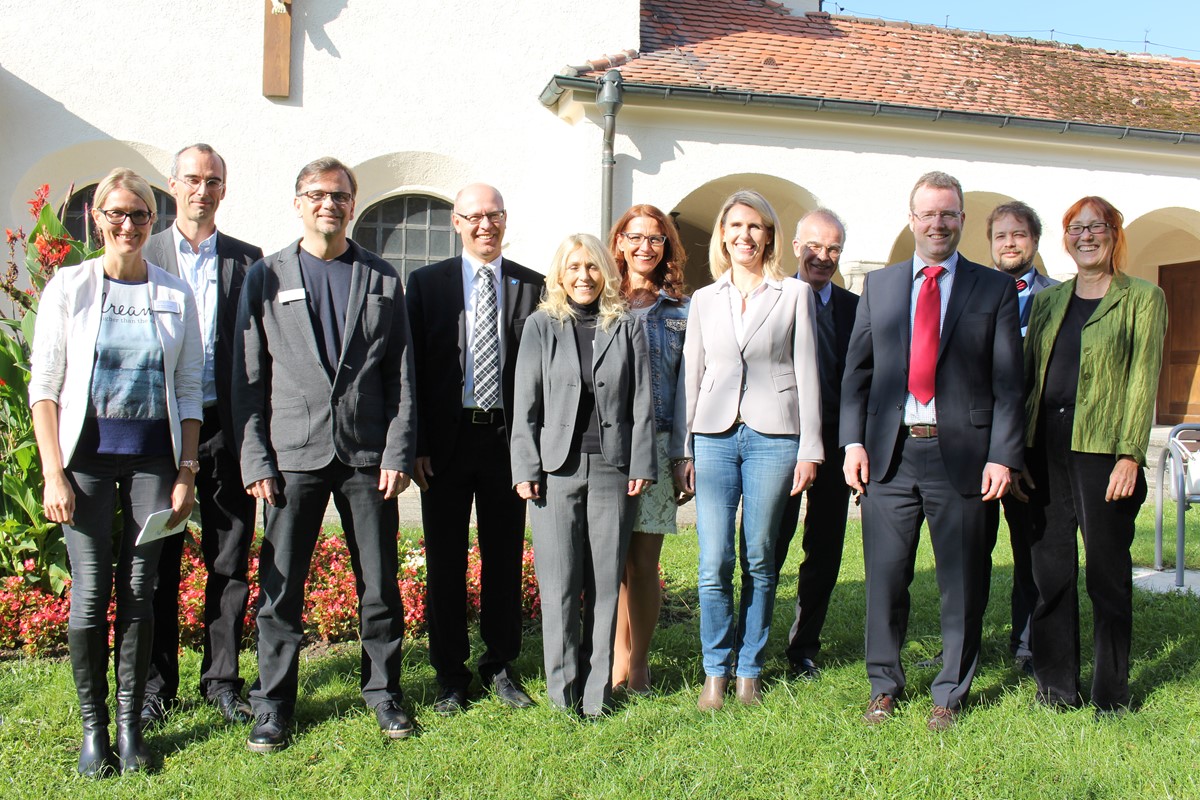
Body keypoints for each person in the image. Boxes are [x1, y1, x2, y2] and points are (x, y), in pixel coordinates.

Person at [233, 157, 417, 752]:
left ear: (353, 204)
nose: (327, 204)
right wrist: (255, 456)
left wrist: (398, 449)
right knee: (281, 587)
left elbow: (402, 375)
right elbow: (248, 379)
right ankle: (273, 704)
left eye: (338, 195)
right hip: (292, 453)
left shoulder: (383, 277)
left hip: (366, 453)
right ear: (298, 203)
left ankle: (384, 691)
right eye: (315, 194)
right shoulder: (266, 276)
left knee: (379, 581)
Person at [29, 168, 203, 775]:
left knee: (140, 590)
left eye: (140, 216)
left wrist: (186, 469)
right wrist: (53, 473)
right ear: (95, 219)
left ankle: (131, 725)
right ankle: (92, 729)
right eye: (117, 214)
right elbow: (44, 389)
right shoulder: (69, 287)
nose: (128, 225)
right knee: (90, 592)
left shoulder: (174, 294)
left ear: (153, 224)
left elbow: (188, 389)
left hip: (154, 462)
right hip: (85, 464)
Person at [841, 171, 1023, 731]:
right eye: (928, 213)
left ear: (962, 220)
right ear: (912, 217)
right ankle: (883, 684)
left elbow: (1011, 383)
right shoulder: (883, 286)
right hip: (890, 456)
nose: (937, 223)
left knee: (961, 580)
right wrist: (851, 441)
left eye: (948, 214)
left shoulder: (991, 289)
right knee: (886, 577)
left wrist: (1003, 454)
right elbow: (857, 374)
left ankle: (949, 690)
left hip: (964, 456)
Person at [1017, 196, 1167, 714]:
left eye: (1096, 227)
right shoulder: (1048, 301)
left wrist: (1131, 454)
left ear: (1114, 234)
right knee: (1051, 574)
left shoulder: (1142, 298)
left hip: (1103, 451)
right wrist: (1017, 452)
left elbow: (1143, 379)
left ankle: (1112, 694)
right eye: (1076, 227)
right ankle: (1056, 689)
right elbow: (1028, 380)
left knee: (1106, 575)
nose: (1086, 236)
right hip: (1045, 450)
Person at [676, 189, 822, 711]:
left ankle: (750, 667)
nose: (745, 236)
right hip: (713, 437)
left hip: (774, 437)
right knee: (713, 560)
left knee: (759, 557)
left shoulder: (794, 294)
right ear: (722, 235)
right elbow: (691, 375)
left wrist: (812, 449)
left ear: (769, 236)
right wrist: (682, 449)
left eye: (755, 227)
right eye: (735, 226)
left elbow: (807, 372)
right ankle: (716, 668)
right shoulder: (703, 299)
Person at [405, 184, 543, 715]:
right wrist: (415, 443)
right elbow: (411, 370)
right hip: (443, 445)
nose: (486, 225)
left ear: (505, 220)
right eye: (475, 216)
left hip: (508, 443)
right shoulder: (426, 284)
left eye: (495, 215)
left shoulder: (533, 286)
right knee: (444, 561)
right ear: (456, 222)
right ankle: (449, 675)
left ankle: (502, 666)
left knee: (504, 559)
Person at [142, 143, 264, 728]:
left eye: (213, 180)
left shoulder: (249, 261)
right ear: (172, 185)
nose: (202, 189)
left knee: (230, 558)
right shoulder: (145, 251)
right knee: (158, 559)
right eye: (192, 179)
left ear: (224, 189)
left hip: (226, 429)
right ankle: (156, 684)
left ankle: (221, 680)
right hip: (158, 430)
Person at [510, 233, 656, 717]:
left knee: (604, 583)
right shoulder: (540, 325)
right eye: (574, 267)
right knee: (558, 585)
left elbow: (641, 402)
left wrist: (641, 463)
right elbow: (525, 405)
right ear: (560, 274)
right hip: (555, 472)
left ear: (606, 273)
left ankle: (597, 696)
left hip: (614, 470)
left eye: (592, 267)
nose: (583, 277)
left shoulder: (627, 326)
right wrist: (524, 467)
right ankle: (561, 695)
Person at [606, 204, 690, 696]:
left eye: (655, 239)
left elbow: (688, 390)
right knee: (612, 562)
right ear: (618, 243)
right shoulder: (599, 303)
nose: (644, 246)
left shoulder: (682, 312)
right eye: (634, 237)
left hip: (658, 447)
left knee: (642, 563)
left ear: (666, 249)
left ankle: (638, 666)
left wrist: (681, 455)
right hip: (608, 448)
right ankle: (616, 659)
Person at [773, 209, 858, 680]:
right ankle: (755, 640)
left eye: (833, 249)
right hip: (781, 444)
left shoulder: (854, 308)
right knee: (770, 544)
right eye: (814, 247)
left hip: (837, 448)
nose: (822, 258)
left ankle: (804, 646)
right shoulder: (774, 298)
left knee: (824, 550)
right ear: (795, 247)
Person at [985, 200, 1057, 675]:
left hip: (1035, 447)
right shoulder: (974, 293)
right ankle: (963, 643)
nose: (1010, 243)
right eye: (1001, 236)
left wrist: (1019, 450)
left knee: (1031, 548)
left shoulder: (1058, 298)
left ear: (1034, 240)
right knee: (970, 550)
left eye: (1019, 235)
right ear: (990, 244)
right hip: (978, 445)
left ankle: (1029, 644)